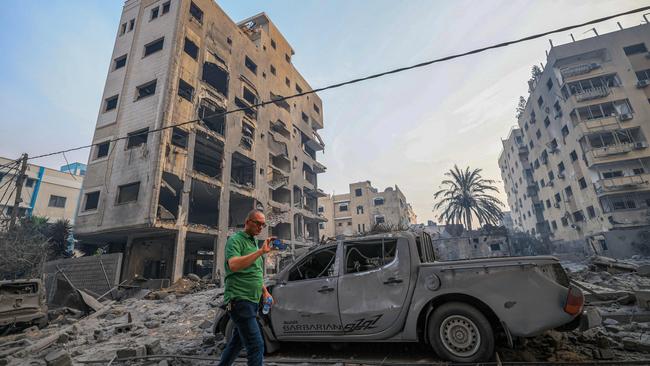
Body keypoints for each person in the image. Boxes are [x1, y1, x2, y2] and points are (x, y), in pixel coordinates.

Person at [217, 209, 275, 366]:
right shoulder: (235, 240)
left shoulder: (253, 242)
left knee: (237, 342)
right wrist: (260, 252)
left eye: (263, 225)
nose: (261, 227)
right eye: (258, 223)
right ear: (247, 222)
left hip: (252, 301)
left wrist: (265, 292)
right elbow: (234, 264)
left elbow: (254, 272)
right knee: (256, 345)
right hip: (239, 300)